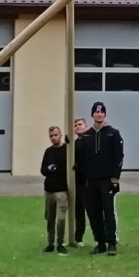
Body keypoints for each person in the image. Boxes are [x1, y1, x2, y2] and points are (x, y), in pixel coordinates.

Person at [74, 102, 124, 256]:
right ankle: (100, 242)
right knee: (93, 212)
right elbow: (80, 159)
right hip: (91, 181)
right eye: (96, 113)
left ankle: (111, 243)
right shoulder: (86, 136)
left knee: (108, 212)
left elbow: (119, 157)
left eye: (102, 112)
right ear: (92, 115)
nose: (99, 115)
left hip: (107, 180)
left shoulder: (113, 133)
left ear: (105, 114)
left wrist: (115, 179)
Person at [39, 126, 69, 255]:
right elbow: (43, 170)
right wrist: (48, 168)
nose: (53, 138)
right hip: (49, 190)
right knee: (50, 218)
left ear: (60, 135)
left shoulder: (67, 150)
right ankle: (50, 243)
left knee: (61, 219)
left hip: (62, 190)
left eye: (55, 135)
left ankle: (60, 243)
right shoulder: (48, 151)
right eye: (51, 136)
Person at [71, 118, 88, 246]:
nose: (77, 127)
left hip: (90, 181)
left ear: (86, 126)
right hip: (78, 182)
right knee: (79, 211)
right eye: (75, 125)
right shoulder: (74, 144)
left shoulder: (92, 140)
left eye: (80, 124)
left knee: (94, 210)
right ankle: (78, 238)